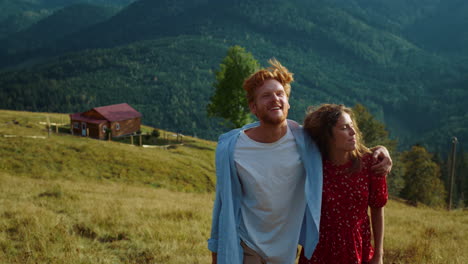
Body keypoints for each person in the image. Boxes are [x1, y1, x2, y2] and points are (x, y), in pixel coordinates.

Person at [208, 60, 392, 264]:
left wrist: (380, 151)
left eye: (280, 94)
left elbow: (340, 144)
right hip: (247, 245)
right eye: (266, 95)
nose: (275, 99)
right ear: (253, 107)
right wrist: (216, 250)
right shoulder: (230, 148)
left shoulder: (306, 143)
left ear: (288, 102)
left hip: (287, 250)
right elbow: (223, 205)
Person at [298, 104, 388, 264]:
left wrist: (379, 255)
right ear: (327, 135)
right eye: (344, 128)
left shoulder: (370, 162)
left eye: (352, 126)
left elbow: (377, 207)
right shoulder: (313, 165)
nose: (353, 133)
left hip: (358, 249)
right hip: (320, 251)